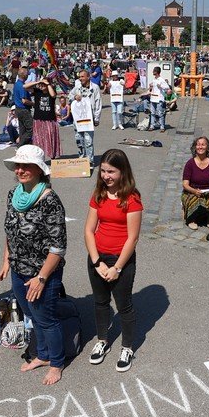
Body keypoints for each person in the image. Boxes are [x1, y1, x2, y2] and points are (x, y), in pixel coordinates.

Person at [0, 145, 68, 385]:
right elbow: (10, 231)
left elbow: (58, 247)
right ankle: (43, 355)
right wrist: (6, 261)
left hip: (42, 272)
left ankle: (56, 362)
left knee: (46, 319)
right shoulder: (13, 194)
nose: (20, 170)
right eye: (18, 165)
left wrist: (41, 278)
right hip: (18, 269)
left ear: (39, 169)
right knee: (31, 314)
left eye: (26, 166)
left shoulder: (50, 201)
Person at [83, 149, 142, 372]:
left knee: (124, 305)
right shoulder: (99, 194)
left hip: (121, 260)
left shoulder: (131, 198)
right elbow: (89, 230)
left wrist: (116, 268)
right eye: (103, 171)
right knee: (100, 302)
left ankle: (127, 347)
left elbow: (132, 238)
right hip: (98, 257)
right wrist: (97, 262)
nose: (106, 176)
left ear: (122, 172)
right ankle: (102, 341)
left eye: (111, 172)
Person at [181, 136, 209, 230]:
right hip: (192, 191)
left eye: (203, 145)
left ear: (207, 148)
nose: (200, 147)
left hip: (207, 190)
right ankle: (191, 219)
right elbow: (185, 184)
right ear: (195, 147)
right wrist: (194, 191)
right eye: (198, 145)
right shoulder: (190, 163)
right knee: (197, 201)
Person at [68, 70, 101, 165]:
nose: (80, 78)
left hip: (89, 119)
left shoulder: (95, 88)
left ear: (88, 77)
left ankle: (90, 161)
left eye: (82, 76)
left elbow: (98, 103)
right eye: (79, 76)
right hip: (78, 119)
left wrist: (97, 118)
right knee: (79, 141)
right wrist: (75, 97)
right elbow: (69, 96)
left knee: (88, 141)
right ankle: (82, 159)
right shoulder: (77, 88)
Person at [30, 78, 61, 159]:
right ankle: (39, 157)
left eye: (44, 84)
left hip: (49, 120)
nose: (42, 85)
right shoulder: (37, 91)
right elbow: (25, 87)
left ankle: (52, 156)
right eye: (41, 84)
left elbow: (53, 95)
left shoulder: (51, 92)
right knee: (38, 139)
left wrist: (47, 84)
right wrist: (38, 81)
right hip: (38, 119)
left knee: (50, 138)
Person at [12, 68, 34, 146]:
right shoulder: (22, 86)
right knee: (31, 128)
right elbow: (24, 101)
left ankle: (24, 146)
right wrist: (34, 104)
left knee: (22, 129)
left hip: (18, 109)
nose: (28, 75)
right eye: (27, 74)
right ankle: (21, 144)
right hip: (23, 109)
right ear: (24, 75)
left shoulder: (16, 84)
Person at [148, 66, 171, 132]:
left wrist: (160, 86)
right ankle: (152, 126)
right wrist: (151, 86)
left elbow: (167, 88)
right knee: (152, 113)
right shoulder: (154, 80)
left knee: (160, 113)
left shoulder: (161, 80)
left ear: (157, 72)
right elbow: (152, 88)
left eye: (154, 72)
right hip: (153, 98)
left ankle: (162, 127)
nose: (153, 73)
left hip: (159, 99)